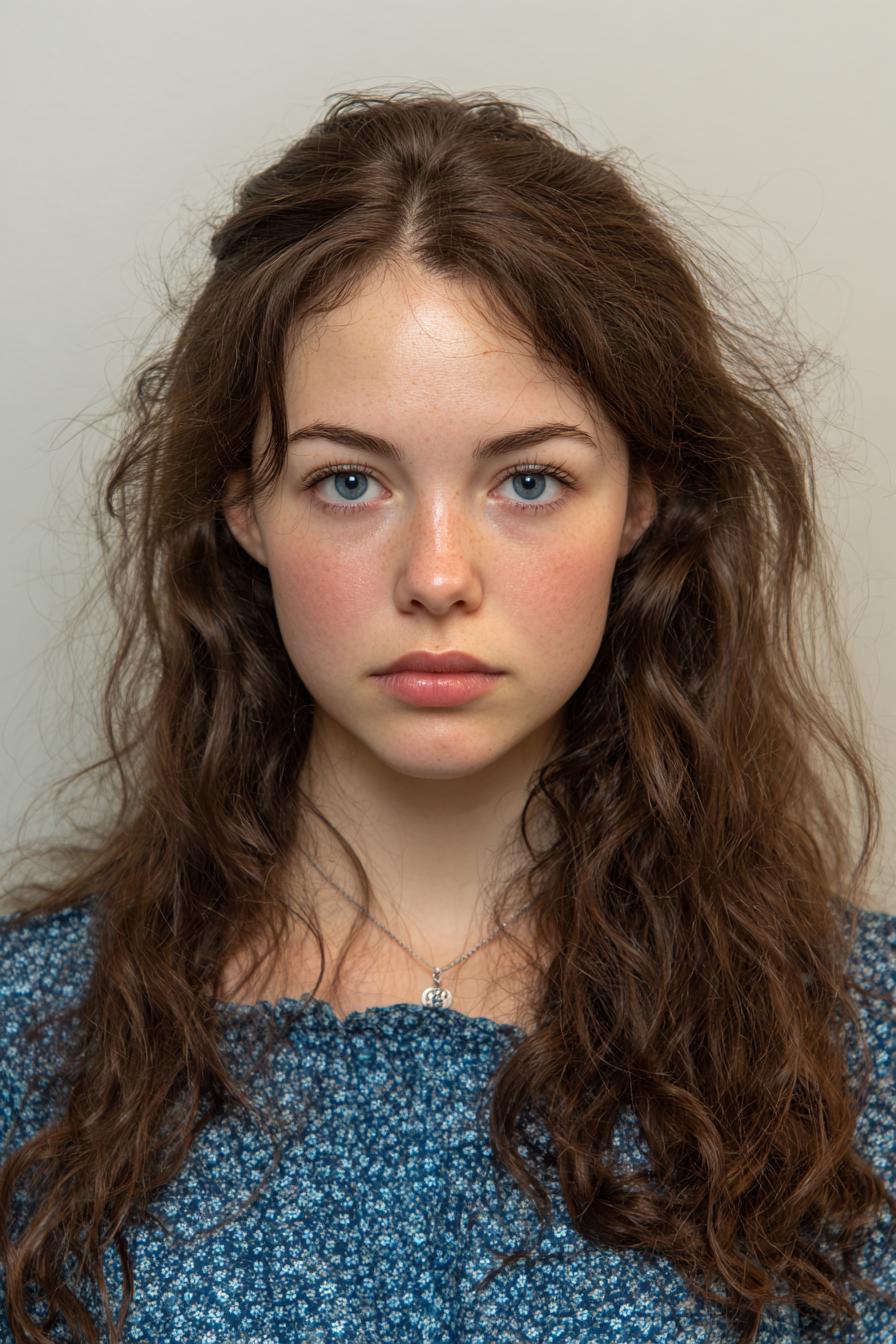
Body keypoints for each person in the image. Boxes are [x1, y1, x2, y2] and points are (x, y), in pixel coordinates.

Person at [0, 87, 892, 1344]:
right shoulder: (26, 1042)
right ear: (243, 507)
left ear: (641, 503)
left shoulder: (865, 1048)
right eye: (347, 480)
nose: (435, 575)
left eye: (528, 480)